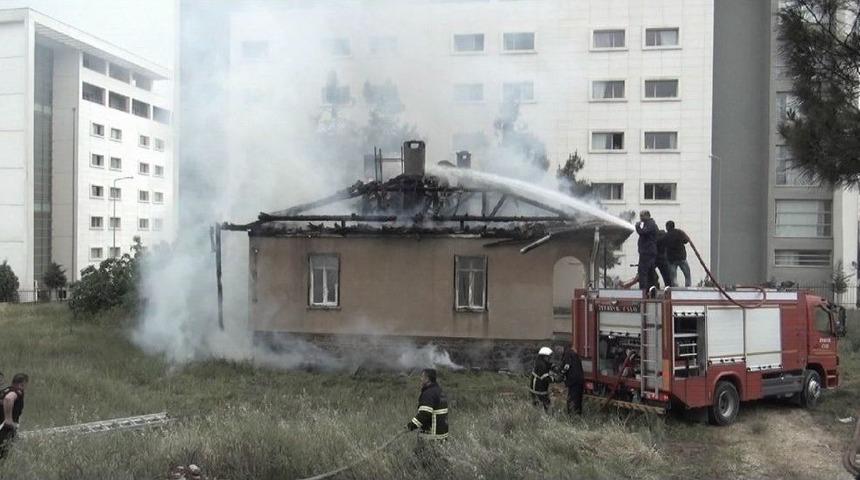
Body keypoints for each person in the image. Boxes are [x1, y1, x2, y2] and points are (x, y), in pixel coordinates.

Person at [407, 369, 448, 441]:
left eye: (422, 377)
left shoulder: (428, 393)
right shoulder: (440, 391)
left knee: (420, 452)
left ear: (427, 379)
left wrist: (411, 425)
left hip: (431, 438)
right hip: (442, 437)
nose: (421, 379)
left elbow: (424, 413)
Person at [0, 373, 28, 459]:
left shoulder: (3, 391)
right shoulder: (17, 391)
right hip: (6, 428)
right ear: (22, 384)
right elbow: (9, 399)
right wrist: (8, 419)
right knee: (3, 457)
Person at [635, 210, 658, 291]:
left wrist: (637, 226)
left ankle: (643, 292)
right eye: (640, 215)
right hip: (649, 252)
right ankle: (651, 291)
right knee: (650, 273)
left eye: (642, 215)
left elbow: (643, 232)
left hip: (647, 252)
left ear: (648, 215)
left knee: (643, 272)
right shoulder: (649, 224)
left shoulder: (650, 224)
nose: (640, 218)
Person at [664, 221, 692, 287]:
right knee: (687, 275)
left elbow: (663, 244)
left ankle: (675, 290)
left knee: (673, 277)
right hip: (681, 257)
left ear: (667, 227)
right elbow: (686, 241)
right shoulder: (679, 232)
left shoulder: (666, 235)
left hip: (671, 259)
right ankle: (688, 287)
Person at [560, 345, 584, 416]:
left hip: (573, 381)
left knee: (572, 399)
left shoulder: (567, 355)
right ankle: (578, 414)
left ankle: (572, 415)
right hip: (579, 380)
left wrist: (561, 374)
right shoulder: (575, 355)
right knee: (578, 399)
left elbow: (566, 367)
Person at [529, 347, 553, 411]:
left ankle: (541, 413)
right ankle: (544, 415)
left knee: (542, 402)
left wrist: (553, 367)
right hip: (538, 387)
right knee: (544, 402)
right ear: (544, 356)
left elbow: (549, 365)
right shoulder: (541, 365)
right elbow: (546, 378)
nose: (549, 358)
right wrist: (556, 379)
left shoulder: (541, 361)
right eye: (548, 357)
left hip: (539, 385)